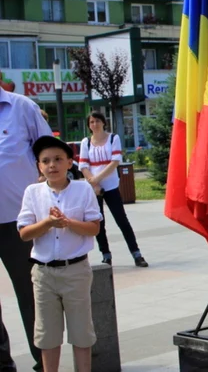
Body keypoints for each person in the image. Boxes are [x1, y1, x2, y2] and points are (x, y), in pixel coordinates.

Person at [18, 136, 101, 372]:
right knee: (47, 335)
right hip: (44, 274)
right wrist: (48, 223)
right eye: (45, 161)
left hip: (76, 270)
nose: (52, 165)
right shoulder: (33, 192)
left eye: (57, 159)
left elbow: (94, 228)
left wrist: (68, 223)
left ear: (69, 163)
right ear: (39, 166)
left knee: (81, 332)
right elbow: (24, 233)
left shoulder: (82, 189)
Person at [0, 85, 51, 372]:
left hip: (20, 222)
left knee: (31, 294)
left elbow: (48, 153)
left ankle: (43, 361)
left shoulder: (22, 108)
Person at [78, 111, 148, 268]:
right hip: (94, 189)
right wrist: (93, 182)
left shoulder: (112, 138)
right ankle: (106, 255)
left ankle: (136, 254)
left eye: (97, 121)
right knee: (99, 223)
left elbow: (115, 161)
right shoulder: (86, 142)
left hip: (110, 186)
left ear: (103, 122)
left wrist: (98, 178)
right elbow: (83, 165)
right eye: (91, 122)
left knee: (121, 220)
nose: (94, 125)